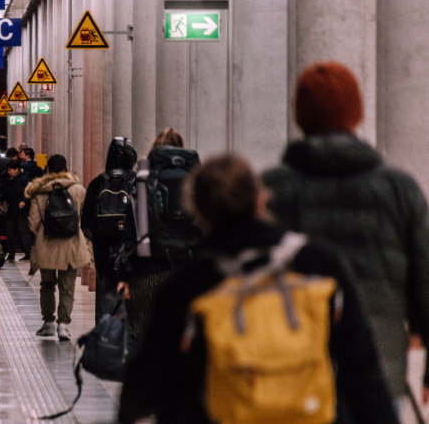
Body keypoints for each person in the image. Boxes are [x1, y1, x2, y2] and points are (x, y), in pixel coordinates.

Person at [119, 154, 397, 424]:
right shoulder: (318, 263)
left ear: (199, 210)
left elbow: (145, 381)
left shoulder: (187, 286)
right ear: (261, 199)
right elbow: (363, 371)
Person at [263, 61, 429, 418]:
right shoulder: (399, 190)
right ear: (356, 114)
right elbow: (425, 284)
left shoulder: (273, 190)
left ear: (300, 116)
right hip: (379, 372)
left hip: (292, 372)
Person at [116, 128, 195, 339]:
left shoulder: (143, 180)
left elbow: (131, 230)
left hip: (147, 270)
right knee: (183, 337)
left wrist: (123, 276)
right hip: (188, 272)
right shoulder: (197, 180)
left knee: (144, 335)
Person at [26, 154, 90, 341]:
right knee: (67, 286)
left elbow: (33, 222)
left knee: (47, 285)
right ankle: (63, 325)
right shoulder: (78, 190)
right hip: (72, 244)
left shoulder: (39, 192)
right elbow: (85, 219)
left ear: (47, 170)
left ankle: (48, 323)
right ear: (66, 169)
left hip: (46, 245)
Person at [81, 137, 138, 323]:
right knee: (132, 290)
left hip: (103, 248)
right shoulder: (136, 182)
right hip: (131, 247)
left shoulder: (98, 182)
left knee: (106, 288)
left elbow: (86, 221)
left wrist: (99, 237)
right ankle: (128, 332)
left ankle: (104, 331)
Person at [0, 160, 33, 261]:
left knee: (23, 231)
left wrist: (24, 201)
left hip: (22, 210)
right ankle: (11, 253)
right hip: (11, 209)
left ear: (16, 169)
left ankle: (28, 253)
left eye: (10, 170)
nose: (8, 172)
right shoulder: (8, 179)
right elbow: (5, 192)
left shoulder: (25, 178)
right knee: (10, 232)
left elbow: (30, 192)